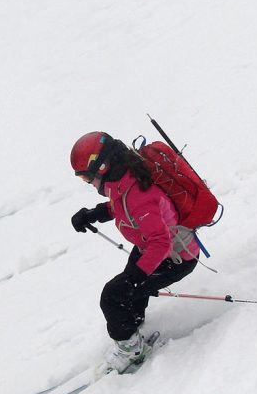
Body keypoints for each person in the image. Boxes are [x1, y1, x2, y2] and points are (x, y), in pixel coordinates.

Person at [70, 130, 199, 371]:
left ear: (103, 168)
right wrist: (94, 214)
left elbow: (161, 242)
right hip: (150, 247)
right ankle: (134, 327)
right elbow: (121, 204)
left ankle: (132, 350)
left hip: (175, 258)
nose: (88, 183)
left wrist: (135, 277)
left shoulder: (139, 195)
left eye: (86, 178)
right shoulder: (125, 179)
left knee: (113, 296)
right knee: (128, 291)